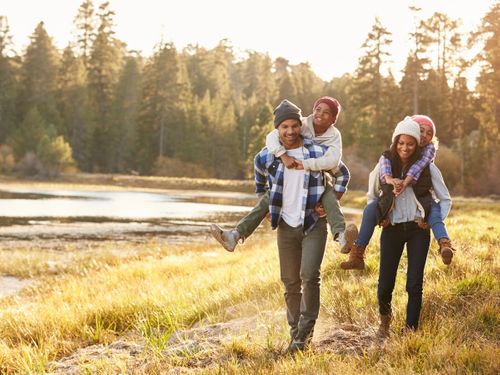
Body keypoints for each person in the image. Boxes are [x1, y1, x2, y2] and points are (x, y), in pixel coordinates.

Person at [210, 96, 358, 254]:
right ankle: (235, 235)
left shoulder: (333, 137)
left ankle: (341, 236)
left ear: (333, 119)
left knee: (329, 196)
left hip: (319, 178)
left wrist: (333, 197)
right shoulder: (300, 124)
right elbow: (272, 137)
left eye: (327, 112)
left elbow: (336, 163)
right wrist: (283, 155)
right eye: (317, 109)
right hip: (290, 179)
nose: (320, 114)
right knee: (269, 197)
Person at [252, 99, 329, 352]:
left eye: (294, 126)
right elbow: (258, 171)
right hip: (285, 225)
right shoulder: (269, 155)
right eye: (284, 126)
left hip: (312, 223)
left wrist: (332, 200)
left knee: (309, 275)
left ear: (300, 126)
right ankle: (296, 335)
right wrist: (264, 199)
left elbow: (343, 173)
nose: (290, 131)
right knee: (290, 281)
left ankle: (304, 334)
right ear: (277, 129)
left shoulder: (315, 152)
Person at [366, 118, 451, 336]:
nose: (405, 147)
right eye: (401, 143)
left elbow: (445, 199)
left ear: (416, 144)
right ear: (396, 142)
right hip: (391, 229)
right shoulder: (384, 165)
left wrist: (430, 219)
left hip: (417, 231)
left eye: (411, 143)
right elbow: (371, 196)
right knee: (385, 282)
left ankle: (410, 329)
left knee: (414, 283)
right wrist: (380, 217)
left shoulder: (428, 168)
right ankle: (384, 322)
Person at [340, 114, 456, 270]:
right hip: (393, 215)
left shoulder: (427, 158)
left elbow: (435, 188)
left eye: (429, 134)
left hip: (421, 208)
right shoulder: (388, 157)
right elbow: (373, 190)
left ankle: (444, 244)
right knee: (370, 210)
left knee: (434, 211)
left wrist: (426, 216)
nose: (424, 136)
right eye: (421, 131)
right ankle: (357, 253)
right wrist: (382, 215)